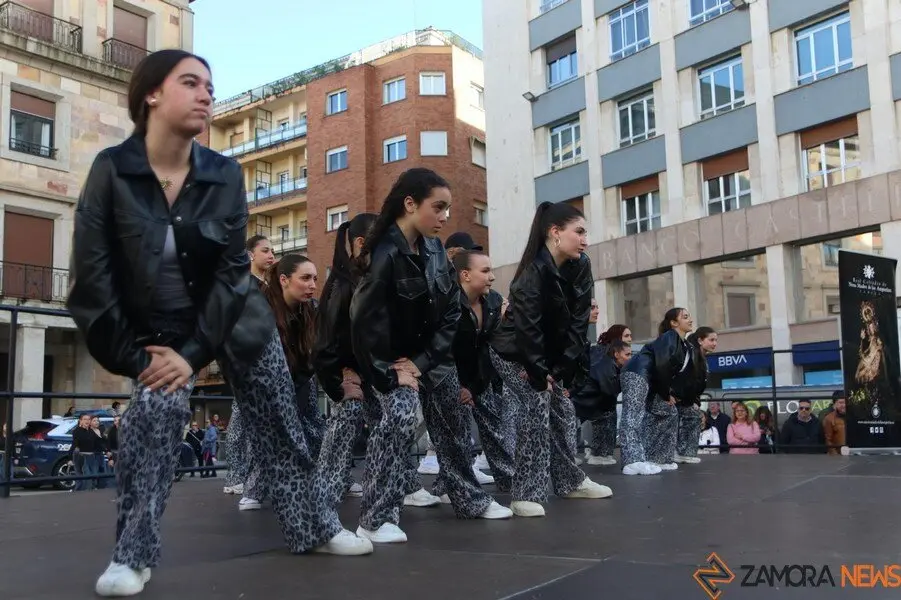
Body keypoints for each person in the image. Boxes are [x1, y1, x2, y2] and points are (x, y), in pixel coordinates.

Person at [66, 49, 371, 597]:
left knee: (282, 424)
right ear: (152, 94)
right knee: (152, 419)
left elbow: (232, 276)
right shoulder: (112, 169)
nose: (207, 93)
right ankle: (132, 556)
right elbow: (91, 280)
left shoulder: (224, 173)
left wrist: (194, 351)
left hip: (236, 322)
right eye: (191, 82)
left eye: (210, 84)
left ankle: (316, 526)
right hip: (157, 338)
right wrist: (141, 360)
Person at [351, 168, 512, 544]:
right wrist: (388, 373)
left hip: (429, 358)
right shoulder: (383, 253)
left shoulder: (437, 250)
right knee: (400, 418)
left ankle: (470, 499)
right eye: (437, 208)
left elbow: (450, 312)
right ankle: (374, 519)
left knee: (455, 421)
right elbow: (362, 322)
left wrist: (422, 362)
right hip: (390, 361)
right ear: (410, 204)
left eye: (448, 209)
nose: (444, 217)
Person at [490, 201, 611, 518]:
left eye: (586, 233)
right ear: (555, 233)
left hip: (544, 355)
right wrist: (538, 372)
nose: (585, 240)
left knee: (563, 410)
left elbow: (578, 322)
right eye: (580, 232)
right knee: (535, 403)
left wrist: (558, 371)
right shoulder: (531, 275)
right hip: (512, 352)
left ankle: (570, 482)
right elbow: (528, 333)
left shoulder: (580, 265)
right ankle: (524, 495)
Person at [443, 248, 516, 493]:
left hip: (479, 375)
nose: (492, 276)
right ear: (465, 275)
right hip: (446, 375)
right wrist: (459, 387)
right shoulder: (448, 301)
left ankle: (508, 479)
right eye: (485, 271)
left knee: (493, 426)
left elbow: (491, 346)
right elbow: (443, 350)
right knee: (457, 430)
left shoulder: (493, 301)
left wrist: (474, 386)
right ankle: (447, 485)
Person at [618, 307, 692, 476]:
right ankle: (632, 460)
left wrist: (667, 393)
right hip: (637, 372)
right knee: (633, 415)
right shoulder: (670, 336)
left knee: (668, 413)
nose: (690, 320)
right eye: (685, 317)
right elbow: (662, 364)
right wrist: (666, 394)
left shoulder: (681, 344)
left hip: (650, 379)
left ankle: (658, 457)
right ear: (674, 323)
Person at [672, 327, 717, 464]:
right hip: (679, 397)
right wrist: (689, 400)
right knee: (690, 418)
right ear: (700, 340)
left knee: (694, 417)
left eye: (716, 340)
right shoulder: (692, 355)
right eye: (711, 340)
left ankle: (686, 452)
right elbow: (686, 380)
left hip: (688, 398)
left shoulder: (701, 357)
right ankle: (680, 452)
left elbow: (698, 384)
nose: (715, 343)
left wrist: (696, 400)